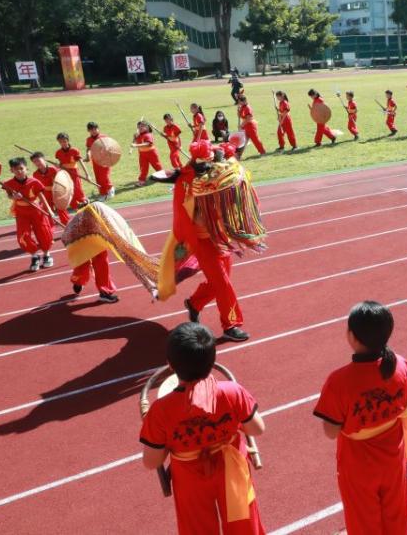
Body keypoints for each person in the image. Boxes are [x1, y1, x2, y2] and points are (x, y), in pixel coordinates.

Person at [140, 322, 266, 534]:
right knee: (244, 524)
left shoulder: (160, 410)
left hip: (190, 478)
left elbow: (151, 461)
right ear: (213, 359)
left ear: (170, 364)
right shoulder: (232, 392)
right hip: (231, 467)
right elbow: (257, 429)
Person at [314, 301, 407, 535]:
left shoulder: (339, 381)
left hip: (358, 463)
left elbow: (331, 432)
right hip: (393, 455)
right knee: (397, 512)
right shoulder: (402, 366)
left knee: (363, 520)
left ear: (352, 336)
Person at [150, 141, 250, 342]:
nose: (205, 167)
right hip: (202, 242)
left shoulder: (220, 173)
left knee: (218, 283)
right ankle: (231, 325)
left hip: (220, 237)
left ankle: (194, 303)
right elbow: (160, 178)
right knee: (223, 284)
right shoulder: (186, 182)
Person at [2, 157, 54, 272]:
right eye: (16, 169)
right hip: (21, 212)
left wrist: (49, 210)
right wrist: (13, 197)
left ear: (26, 169)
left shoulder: (34, 182)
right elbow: (9, 195)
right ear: (11, 171)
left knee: (43, 232)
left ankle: (47, 255)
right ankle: (34, 256)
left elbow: (41, 197)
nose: (19, 171)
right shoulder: (8, 184)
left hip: (36, 210)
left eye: (21, 168)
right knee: (23, 236)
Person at [29, 152, 70, 225]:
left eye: (38, 160)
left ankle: (67, 224)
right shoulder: (35, 174)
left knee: (61, 210)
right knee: (47, 211)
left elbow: (62, 179)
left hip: (56, 192)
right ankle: (50, 227)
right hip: (45, 194)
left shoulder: (53, 169)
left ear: (44, 159)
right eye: (34, 161)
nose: (37, 163)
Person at [55, 132, 88, 209]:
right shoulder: (58, 153)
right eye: (60, 142)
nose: (63, 143)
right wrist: (58, 166)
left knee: (77, 187)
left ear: (68, 141)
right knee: (68, 188)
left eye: (64, 141)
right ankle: (74, 204)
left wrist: (87, 174)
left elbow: (81, 162)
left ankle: (83, 201)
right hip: (65, 173)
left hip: (74, 172)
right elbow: (60, 163)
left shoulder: (74, 151)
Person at [85, 122, 114, 199]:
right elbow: (88, 148)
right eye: (91, 130)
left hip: (104, 160)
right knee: (98, 177)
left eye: (95, 129)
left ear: (98, 129)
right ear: (88, 131)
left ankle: (110, 189)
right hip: (95, 161)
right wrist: (88, 155)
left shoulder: (103, 137)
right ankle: (103, 193)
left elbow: (109, 147)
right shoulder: (89, 139)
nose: (94, 131)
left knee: (104, 176)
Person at [131, 121, 164, 186]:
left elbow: (148, 144)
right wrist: (134, 138)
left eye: (142, 126)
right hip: (142, 154)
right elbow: (134, 142)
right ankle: (142, 180)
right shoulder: (138, 135)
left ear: (147, 128)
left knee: (157, 165)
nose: (140, 128)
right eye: (138, 127)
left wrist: (136, 145)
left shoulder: (148, 135)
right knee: (143, 168)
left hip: (151, 153)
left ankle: (163, 176)